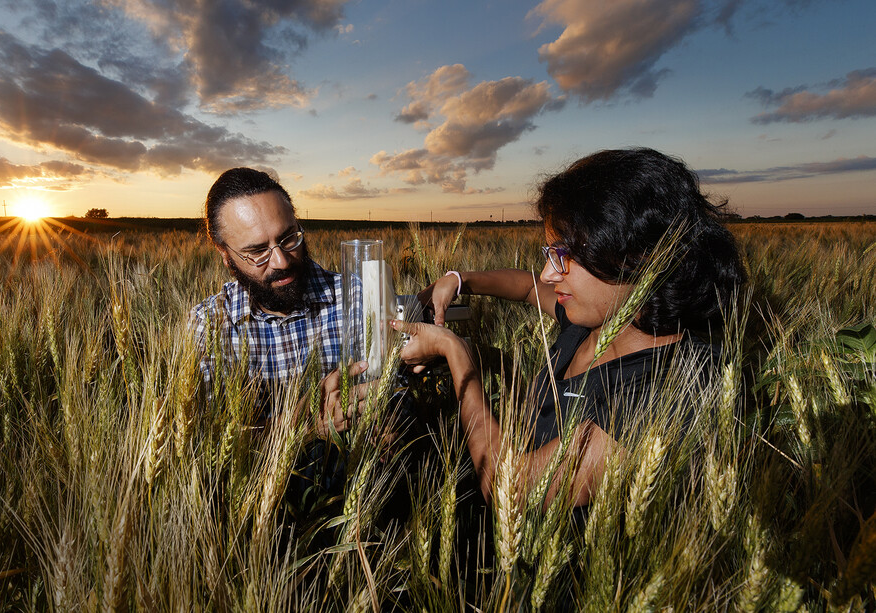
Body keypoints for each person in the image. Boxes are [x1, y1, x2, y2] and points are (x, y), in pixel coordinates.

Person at [392, 147, 746, 505]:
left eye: (564, 255)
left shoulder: (675, 388)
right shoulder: (591, 321)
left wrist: (457, 353)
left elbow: (509, 491)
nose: (549, 273)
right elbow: (529, 286)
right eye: (549, 254)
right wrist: (458, 279)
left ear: (635, 254)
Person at [190, 167, 362, 433]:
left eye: (288, 238)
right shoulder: (209, 326)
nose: (281, 261)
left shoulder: (353, 297)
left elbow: (395, 392)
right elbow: (207, 437)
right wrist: (303, 425)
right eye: (257, 251)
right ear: (225, 254)